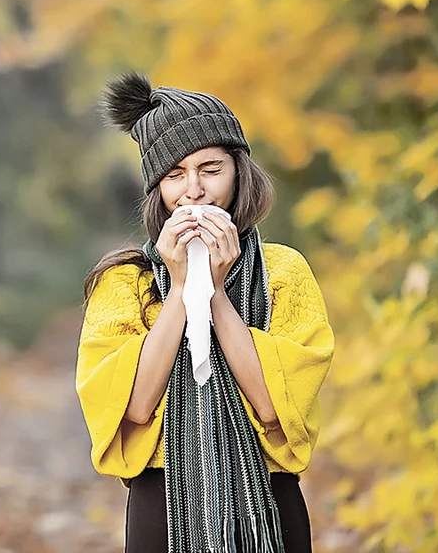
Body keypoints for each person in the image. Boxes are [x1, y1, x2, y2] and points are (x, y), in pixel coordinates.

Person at [76, 73, 335, 553]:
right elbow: (132, 408)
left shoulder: (285, 271)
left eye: (210, 168)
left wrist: (214, 291)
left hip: (269, 506)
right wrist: (179, 289)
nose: (193, 190)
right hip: (162, 507)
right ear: (158, 189)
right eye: (174, 175)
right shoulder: (123, 283)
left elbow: (276, 409)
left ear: (239, 172)